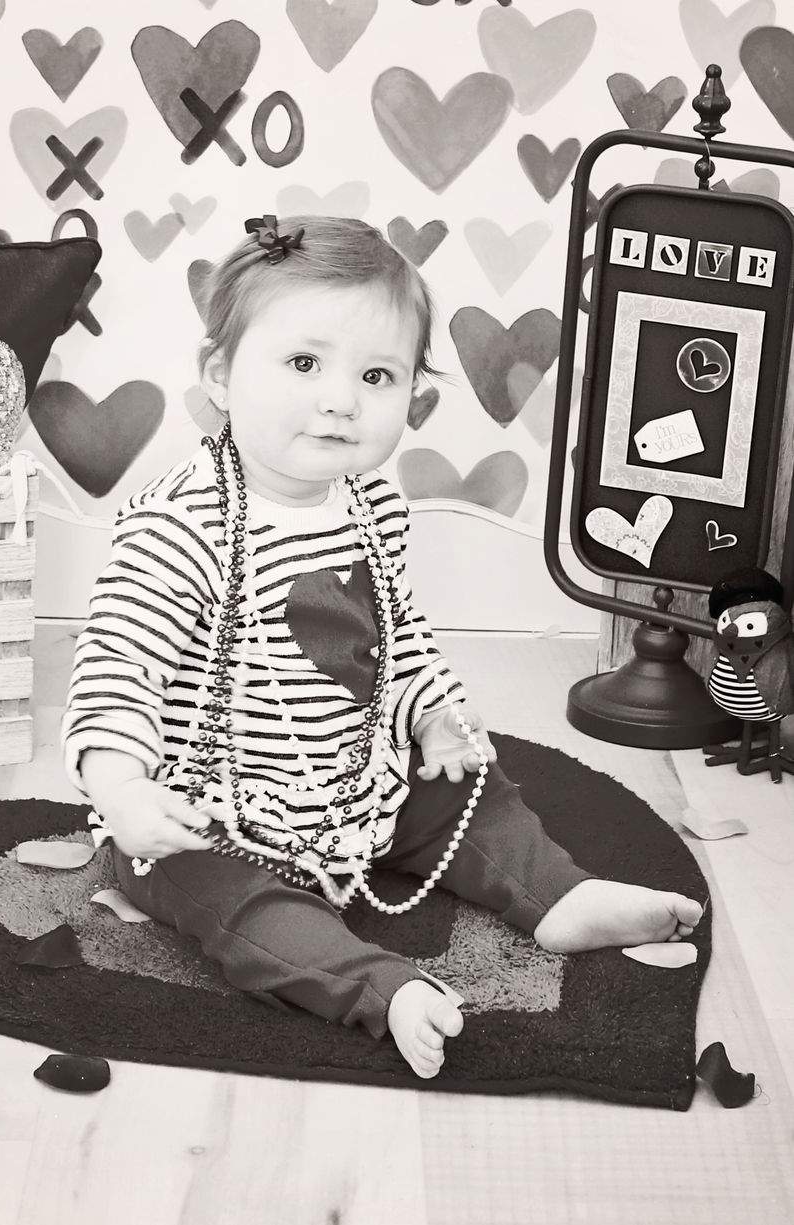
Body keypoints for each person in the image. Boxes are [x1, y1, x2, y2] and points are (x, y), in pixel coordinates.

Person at [61, 214, 703, 1078]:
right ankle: (380, 985)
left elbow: (396, 640)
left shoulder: (374, 508)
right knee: (229, 903)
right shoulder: (179, 527)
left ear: (410, 393)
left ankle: (558, 894)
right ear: (220, 374)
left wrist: (431, 715)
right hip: (209, 815)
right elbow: (116, 670)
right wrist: (123, 788)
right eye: (303, 363)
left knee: (469, 784)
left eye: (376, 376)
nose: (341, 400)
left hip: (354, 784)